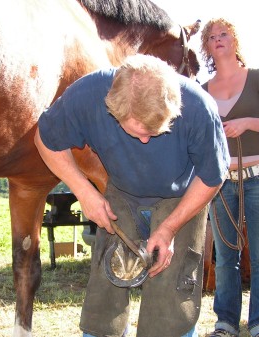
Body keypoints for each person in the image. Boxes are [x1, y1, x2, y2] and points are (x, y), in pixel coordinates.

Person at [34, 54, 230, 337]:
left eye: (155, 131)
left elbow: (212, 177)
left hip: (181, 196)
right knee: (107, 283)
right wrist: (84, 191)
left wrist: (171, 227)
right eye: (139, 131)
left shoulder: (199, 107)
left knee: (171, 296)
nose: (146, 141)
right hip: (122, 192)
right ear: (113, 109)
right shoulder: (89, 94)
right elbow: (45, 139)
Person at [200, 18, 259, 337]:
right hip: (222, 184)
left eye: (224, 34)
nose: (218, 39)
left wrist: (248, 122)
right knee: (225, 258)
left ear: (235, 41)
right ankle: (225, 323)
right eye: (212, 37)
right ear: (207, 47)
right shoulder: (203, 90)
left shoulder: (258, 78)